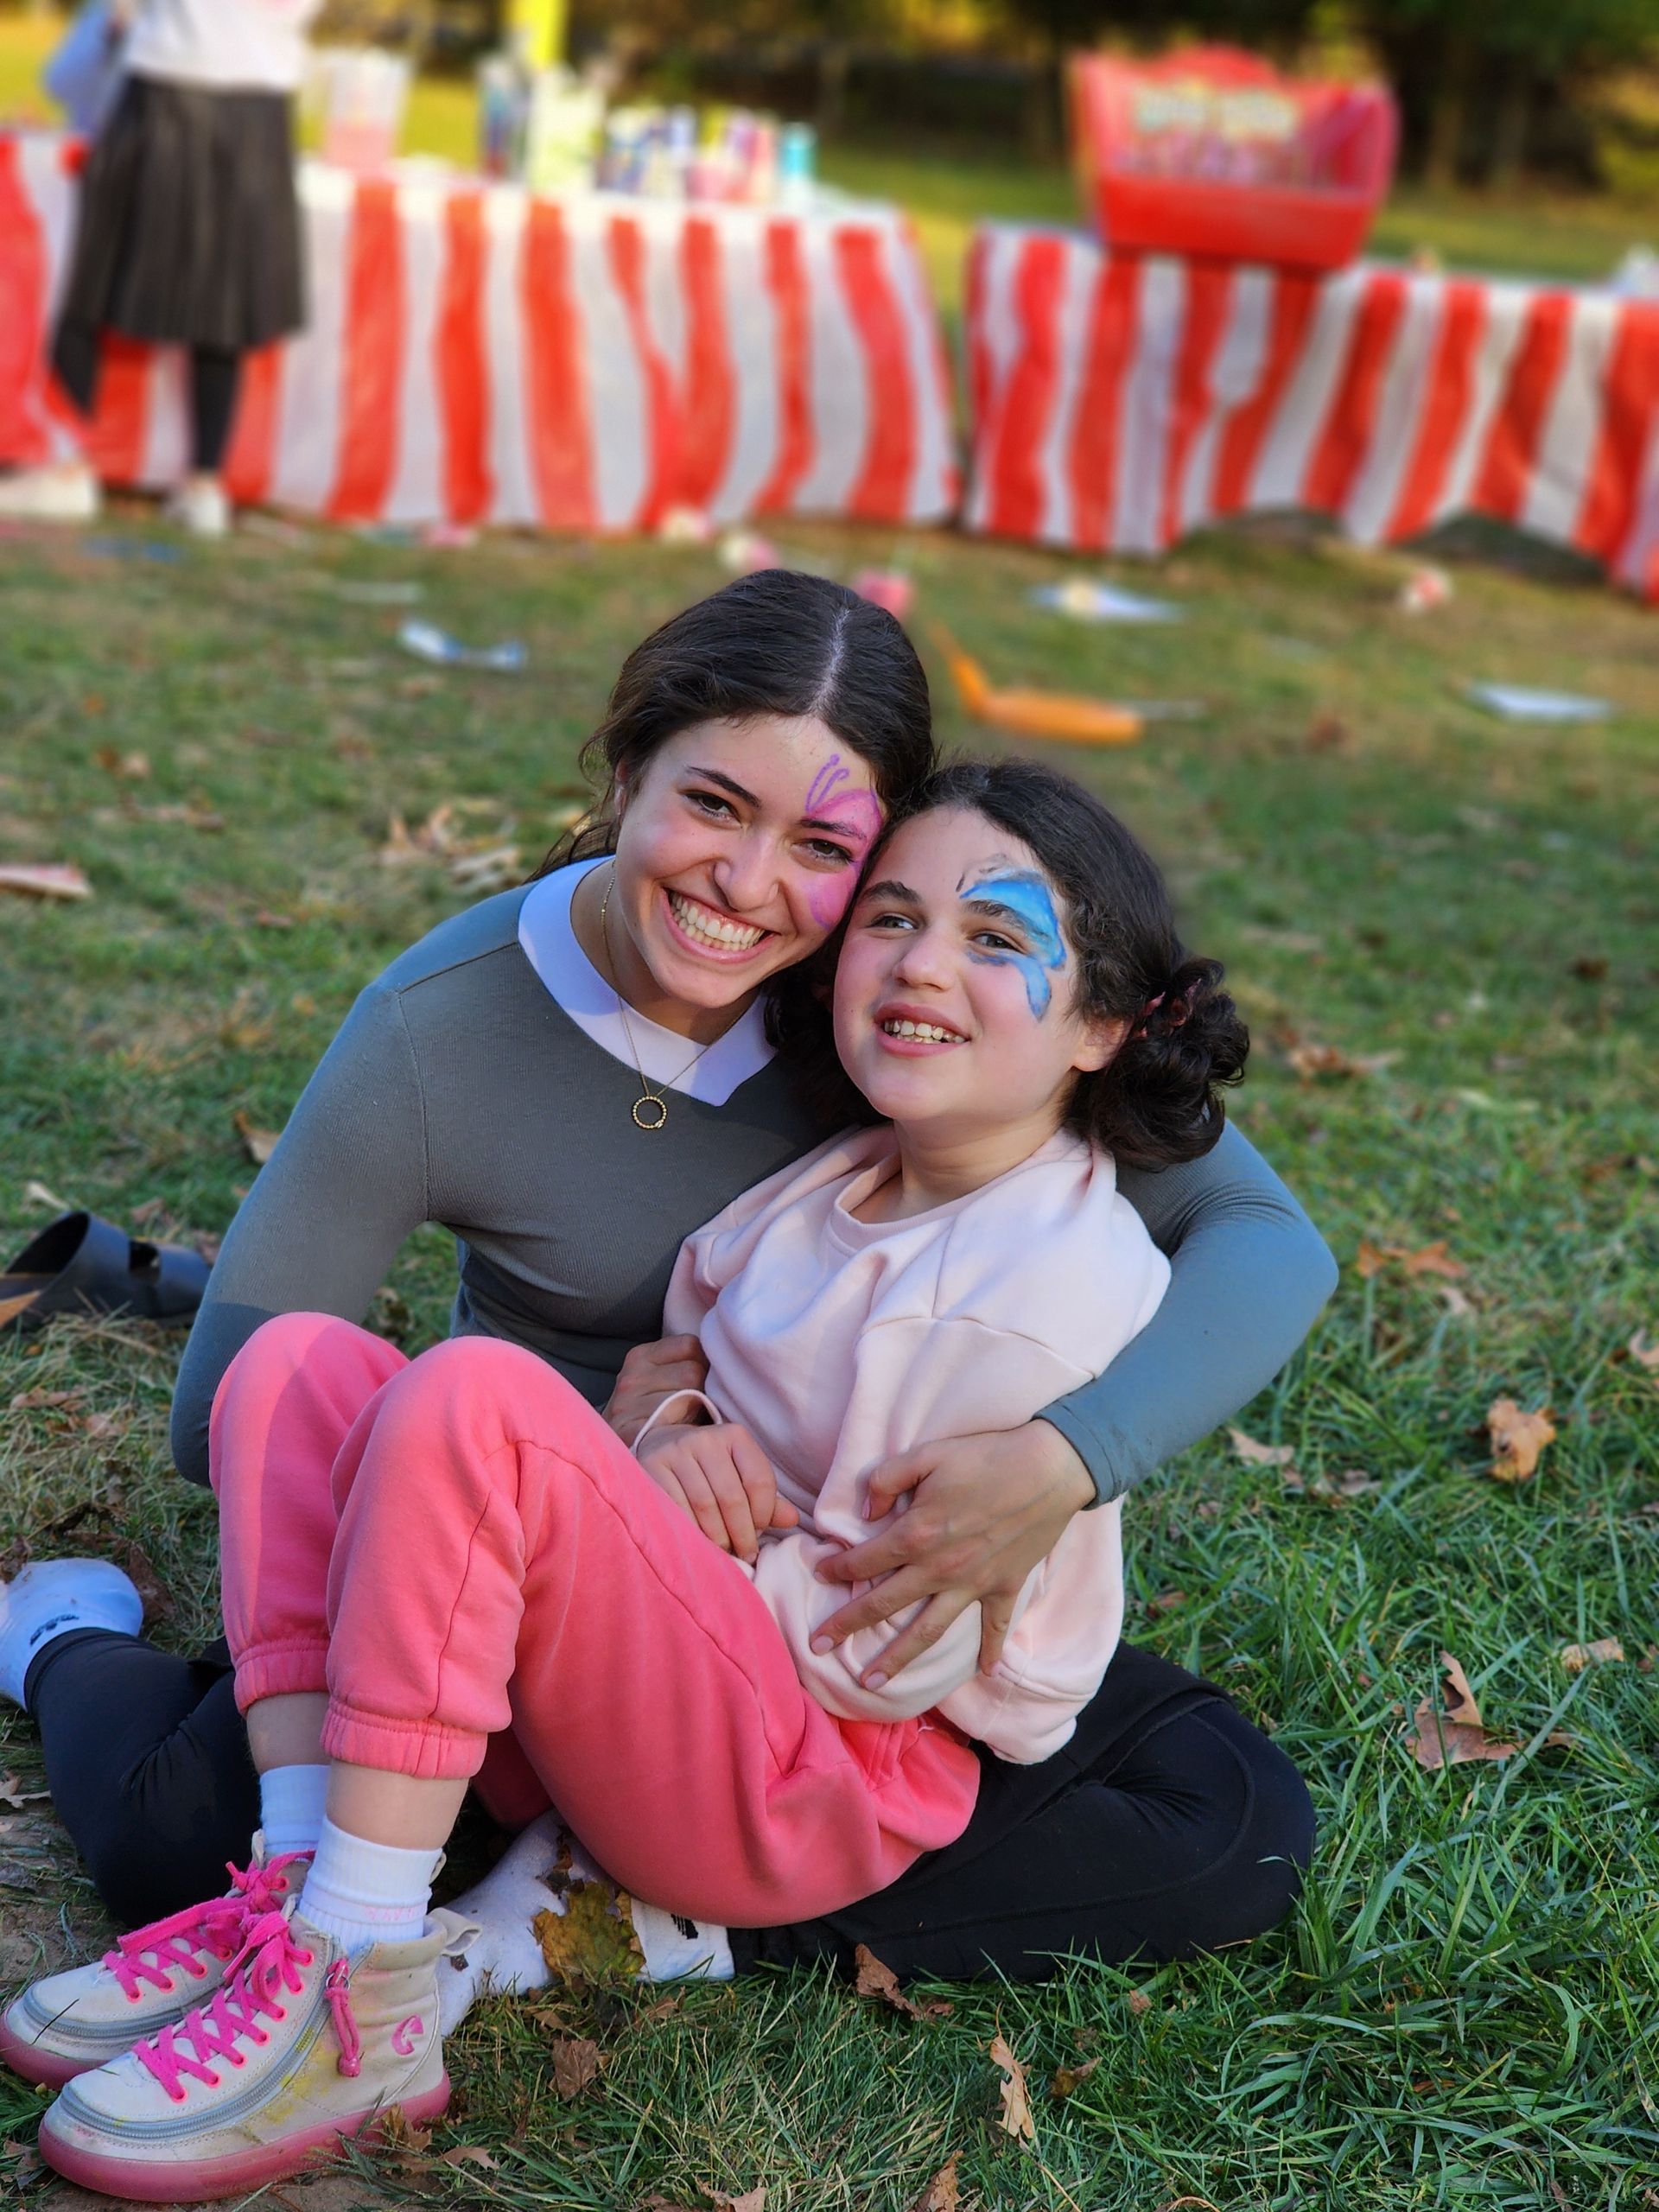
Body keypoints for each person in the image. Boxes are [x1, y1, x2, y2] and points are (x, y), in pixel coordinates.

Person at [0, 569, 1330, 1994]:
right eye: (709, 805)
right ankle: (68, 1636)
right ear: (627, 769)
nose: (747, 887)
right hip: (500, 1544)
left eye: (823, 843)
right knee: (172, 1844)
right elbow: (234, 1410)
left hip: (813, 1595)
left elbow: (1267, 1240)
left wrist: (1066, 1461)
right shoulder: (447, 1027)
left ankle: (637, 1901)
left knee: (1228, 1819)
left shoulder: (897, 1012)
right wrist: (634, 1435)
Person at [0, 0, 321, 537]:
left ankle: (64, 465)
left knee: (94, 280)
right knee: (226, 296)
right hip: (261, 102)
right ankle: (204, 483)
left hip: (166, 85)